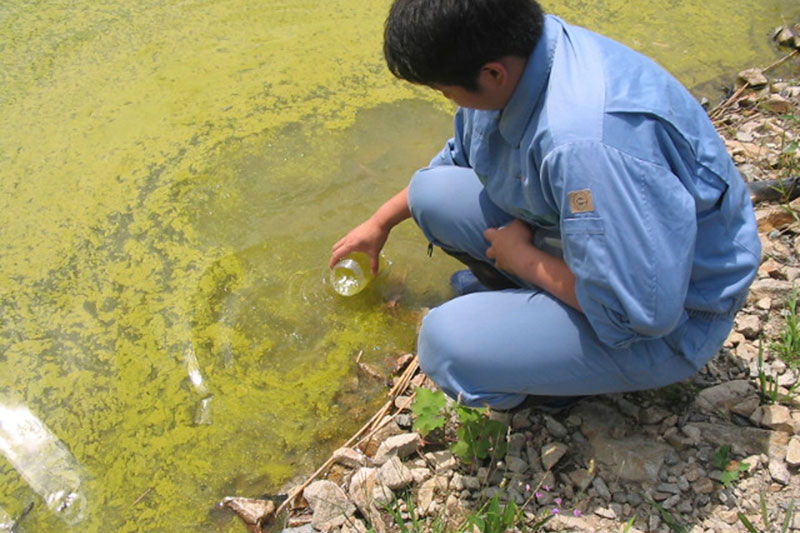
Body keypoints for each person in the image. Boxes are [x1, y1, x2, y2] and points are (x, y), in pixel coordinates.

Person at [329, 0, 761, 411]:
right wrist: (379, 223)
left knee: (443, 345)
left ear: (492, 73)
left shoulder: (587, 145)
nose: (448, 100)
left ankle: (551, 386)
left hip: (674, 319)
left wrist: (524, 260)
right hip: (610, 246)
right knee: (431, 193)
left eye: (445, 90)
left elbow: (641, 312)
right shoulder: (521, 54)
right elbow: (459, 158)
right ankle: (528, 315)